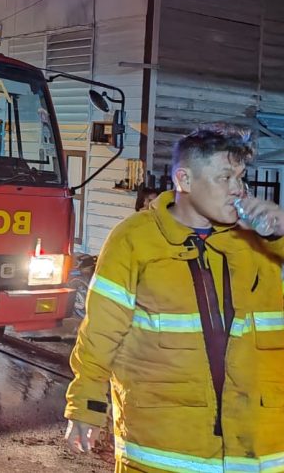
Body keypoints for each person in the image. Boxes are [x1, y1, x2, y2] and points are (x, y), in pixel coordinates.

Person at [65, 126, 284, 471]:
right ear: (184, 179)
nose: (238, 190)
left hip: (257, 452)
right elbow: (101, 335)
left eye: (241, 178)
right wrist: (86, 405)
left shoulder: (263, 243)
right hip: (164, 450)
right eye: (224, 177)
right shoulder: (134, 240)